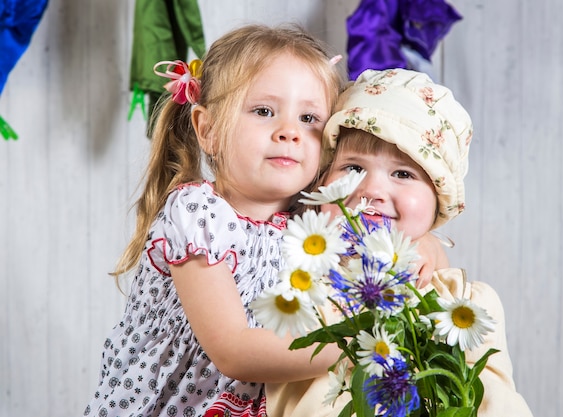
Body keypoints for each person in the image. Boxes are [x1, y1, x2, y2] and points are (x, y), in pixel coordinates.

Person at [83, 23, 348, 417]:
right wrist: (352, 344)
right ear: (208, 131)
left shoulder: (313, 226)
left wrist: (426, 247)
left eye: (310, 118)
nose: (290, 132)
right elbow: (234, 352)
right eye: (263, 111)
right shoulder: (197, 215)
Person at [266, 69, 533, 417]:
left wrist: (427, 247)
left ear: (438, 201)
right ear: (321, 183)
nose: (372, 191)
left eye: (403, 174)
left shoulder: (458, 302)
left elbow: (494, 401)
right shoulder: (296, 278)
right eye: (352, 168)